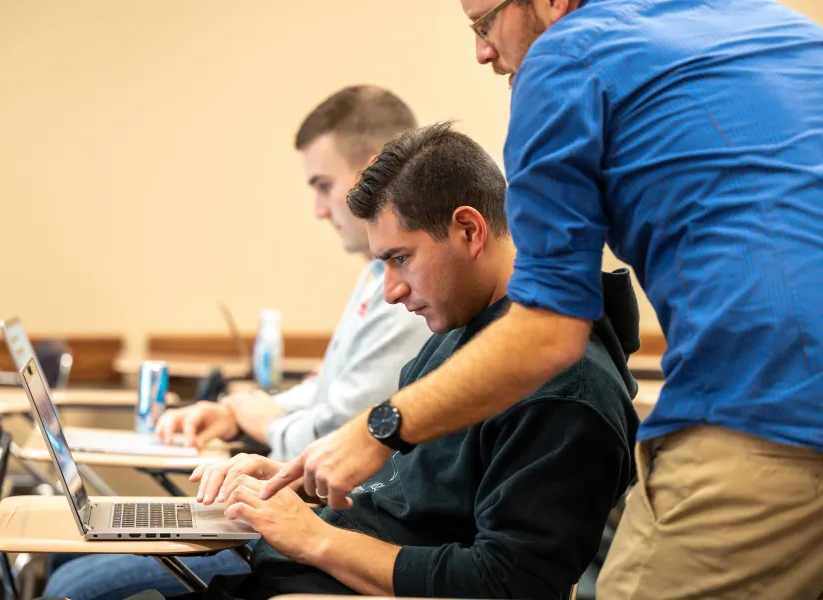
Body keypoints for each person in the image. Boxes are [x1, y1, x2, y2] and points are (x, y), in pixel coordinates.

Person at [266, 0, 823, 597]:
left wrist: (378, 430)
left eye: (485, 22)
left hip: (772, 407)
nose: (482, 51)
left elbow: (549, 337)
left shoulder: (565, 59)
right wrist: (293, 482)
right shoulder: (776, 26)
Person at [110, 122, 638, 600]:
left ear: (469, 230)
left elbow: (506, 584)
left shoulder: (566, 389)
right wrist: (295, 482)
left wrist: (315, 539)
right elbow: (414, 497)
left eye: (401, 258)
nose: (390, 291)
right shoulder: (465, 333)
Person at [41, 86, 432, 600]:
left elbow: (335, 437)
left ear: (375, 170)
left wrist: (258, 417)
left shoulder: (410, 295)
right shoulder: (377, 274)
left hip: (336, 526)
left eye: (324, 185)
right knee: (66, 560)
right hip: (311, 507)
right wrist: (236, 411)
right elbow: (328, 395)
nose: (320, 209)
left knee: (72, 585)